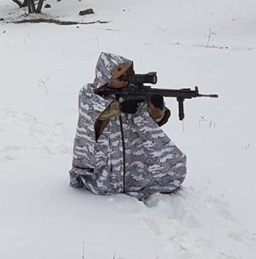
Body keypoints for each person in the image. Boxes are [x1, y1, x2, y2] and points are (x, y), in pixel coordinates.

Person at [69, 52, 185, 200]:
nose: (125, 81)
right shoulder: (89, 93)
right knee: (104, 184)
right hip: (104, 160)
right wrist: (120, 107)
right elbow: (92, 113)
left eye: (128, 76)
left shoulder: (135, 93)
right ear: (107, 77)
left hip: (133, 161)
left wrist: (157, 108)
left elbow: (153, 122)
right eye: (121, 77)